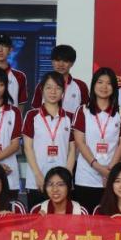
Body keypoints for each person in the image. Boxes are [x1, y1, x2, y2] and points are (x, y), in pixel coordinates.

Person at [73, 68, 121, 213]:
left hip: (112, 177)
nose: (104, 87)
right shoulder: (83, 110)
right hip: (86, 176)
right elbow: (80, 142)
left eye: (109, 83)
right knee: (85, 220)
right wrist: (99, 168)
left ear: (114, 87)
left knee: (110, 220)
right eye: (100, 82)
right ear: (93, 85)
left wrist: (110, 171)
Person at [23, 72, 76, 210]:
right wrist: (38, 175)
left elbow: (72, 149)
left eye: (58, 88)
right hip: (37, 180)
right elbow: (28, 148)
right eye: (49, 87)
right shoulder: (32, 115)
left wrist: (67, 176)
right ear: (42, 89)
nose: (53, 91)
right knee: (37, 218)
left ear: (63, 91)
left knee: (61, 218)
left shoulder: (70, 117)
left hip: (61, 182)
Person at [33, 44, 89, 114]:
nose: (61, 64)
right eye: (57, 60)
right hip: (46, 121)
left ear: (72, 63)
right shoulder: (42, 85)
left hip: (72, 121)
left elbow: (85, 112)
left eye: (65, 61)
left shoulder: (81, 86)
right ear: (52, 62)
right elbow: (36, 111)